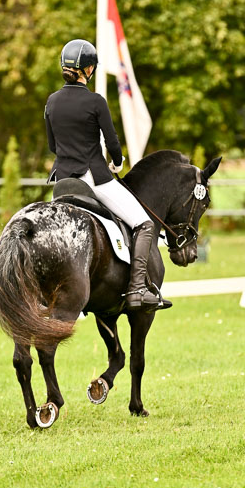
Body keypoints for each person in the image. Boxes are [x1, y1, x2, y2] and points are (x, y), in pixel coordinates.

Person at [44, 38, 171, 312]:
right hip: (92, 179)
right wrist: (117, 162)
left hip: (62, 183)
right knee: (144, 224)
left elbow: (53, 146)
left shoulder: (52, 101)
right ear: (89, 69)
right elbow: (112, 143)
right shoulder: (95, 101)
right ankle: (138, 288)